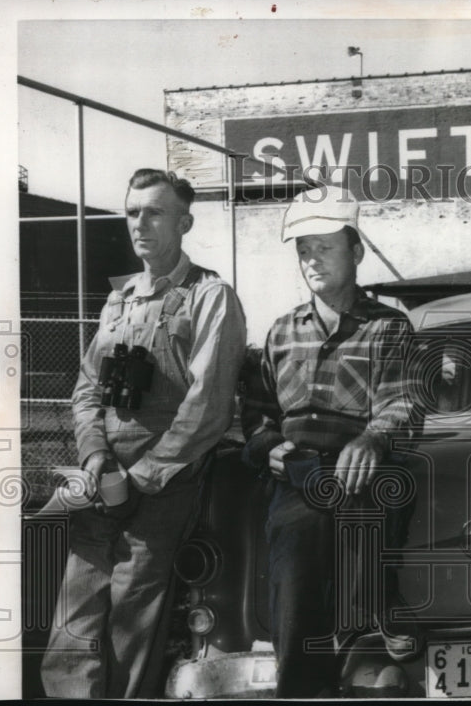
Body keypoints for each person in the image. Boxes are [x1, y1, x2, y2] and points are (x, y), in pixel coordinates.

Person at [40, 169, 247, 698]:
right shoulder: (120, 299)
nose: (140, 224)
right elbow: (88, 388)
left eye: (154, 212)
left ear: (184, 222)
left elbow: (208, 406)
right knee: (73, 622)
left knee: (132, 625)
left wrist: (143, 476)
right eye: (133, 212)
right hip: (102, 481)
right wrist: (93, 457)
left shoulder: (210, 297)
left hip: (163, 487)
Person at [242, 184, 418, 698]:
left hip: (364, 470)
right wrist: (269, 446)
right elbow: (256, 414)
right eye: (304, 251)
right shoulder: (280, 332)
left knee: (376, 501)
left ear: (356, 251)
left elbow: (402, 401)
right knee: (295, 563)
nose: (312, 261)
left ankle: (379, 607)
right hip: (297, 476)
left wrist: (372, 439)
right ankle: (303, 686)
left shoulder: (389, 328)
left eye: (324, 248)